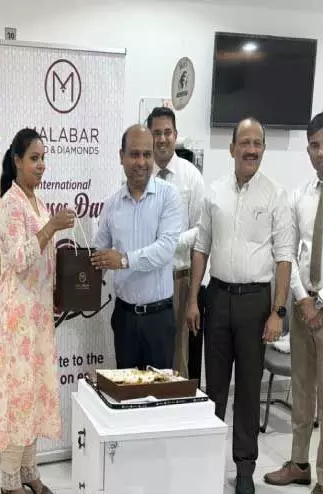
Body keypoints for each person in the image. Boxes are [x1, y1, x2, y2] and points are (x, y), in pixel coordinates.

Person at [187, 117, 294, 494]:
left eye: (257, 143)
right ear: (232, 148)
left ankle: (245, 468)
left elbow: (284, 257)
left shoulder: (276, 195)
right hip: (216, 298)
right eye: (245, 143)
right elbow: (201, 247)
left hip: (255, 303)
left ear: (263, 149)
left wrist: (277, 312)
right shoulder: (214, 192)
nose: (251, 149)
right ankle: (207, 463)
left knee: (248, 389)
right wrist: (192, 299)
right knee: (214, 389)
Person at [0, 128, 74, 494]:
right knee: (18, 395)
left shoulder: (37, 201)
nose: (40, 165)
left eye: (43, 158)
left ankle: (29, 470)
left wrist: (56, 291)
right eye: (34, 158)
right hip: (16, 314)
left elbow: (44, 260)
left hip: (37, 312)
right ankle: (9, 480)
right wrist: (51, 227)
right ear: (17, 161)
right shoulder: (10, 203)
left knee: (35, 391)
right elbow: (19, 258)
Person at [264, 112, 323, 494]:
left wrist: (322, 300)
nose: (321, 152)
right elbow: (288, 252)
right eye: (314, 145)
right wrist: (302, 298)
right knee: (300, 391)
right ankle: (298, 463)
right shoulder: (300, 194)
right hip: (303, 307)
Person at [91, 125, 182, 370]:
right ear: (121, 156)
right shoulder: (111, 205)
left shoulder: (169, 196)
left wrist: (123, 260)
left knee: (159, 391)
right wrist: (73, 283)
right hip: (124, 319)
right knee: (126, 389)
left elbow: (165, 249)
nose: (141, 162)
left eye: (147, 154)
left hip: (158, 319)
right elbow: (98, 257)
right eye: (134, 154)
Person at [146, 107, 205, 377]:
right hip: (146, 277)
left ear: (175, 135)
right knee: (149, 350)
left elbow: (202, 231)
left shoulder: (191, 176)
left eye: (167, 132)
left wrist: (169, 243)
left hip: (178, 278)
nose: (162, 138)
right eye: (156, 133)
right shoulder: (139, 173)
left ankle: (175, 401)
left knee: (177, 354)